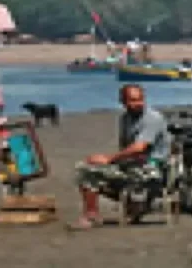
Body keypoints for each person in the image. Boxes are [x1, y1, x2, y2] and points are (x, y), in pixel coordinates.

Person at [69, 84, 171, 230]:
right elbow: (125, 148)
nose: (138, 104)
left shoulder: (152, 118)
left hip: (152, 169)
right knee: (87, 166)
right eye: (133, 100)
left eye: (140, 99)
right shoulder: (126, 119)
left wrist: (109, 159)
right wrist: (109, 162)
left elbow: (139, 148)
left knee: (87, 172)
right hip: (133, 165)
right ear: (123, 102)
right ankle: (111, 209)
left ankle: (93, 215)